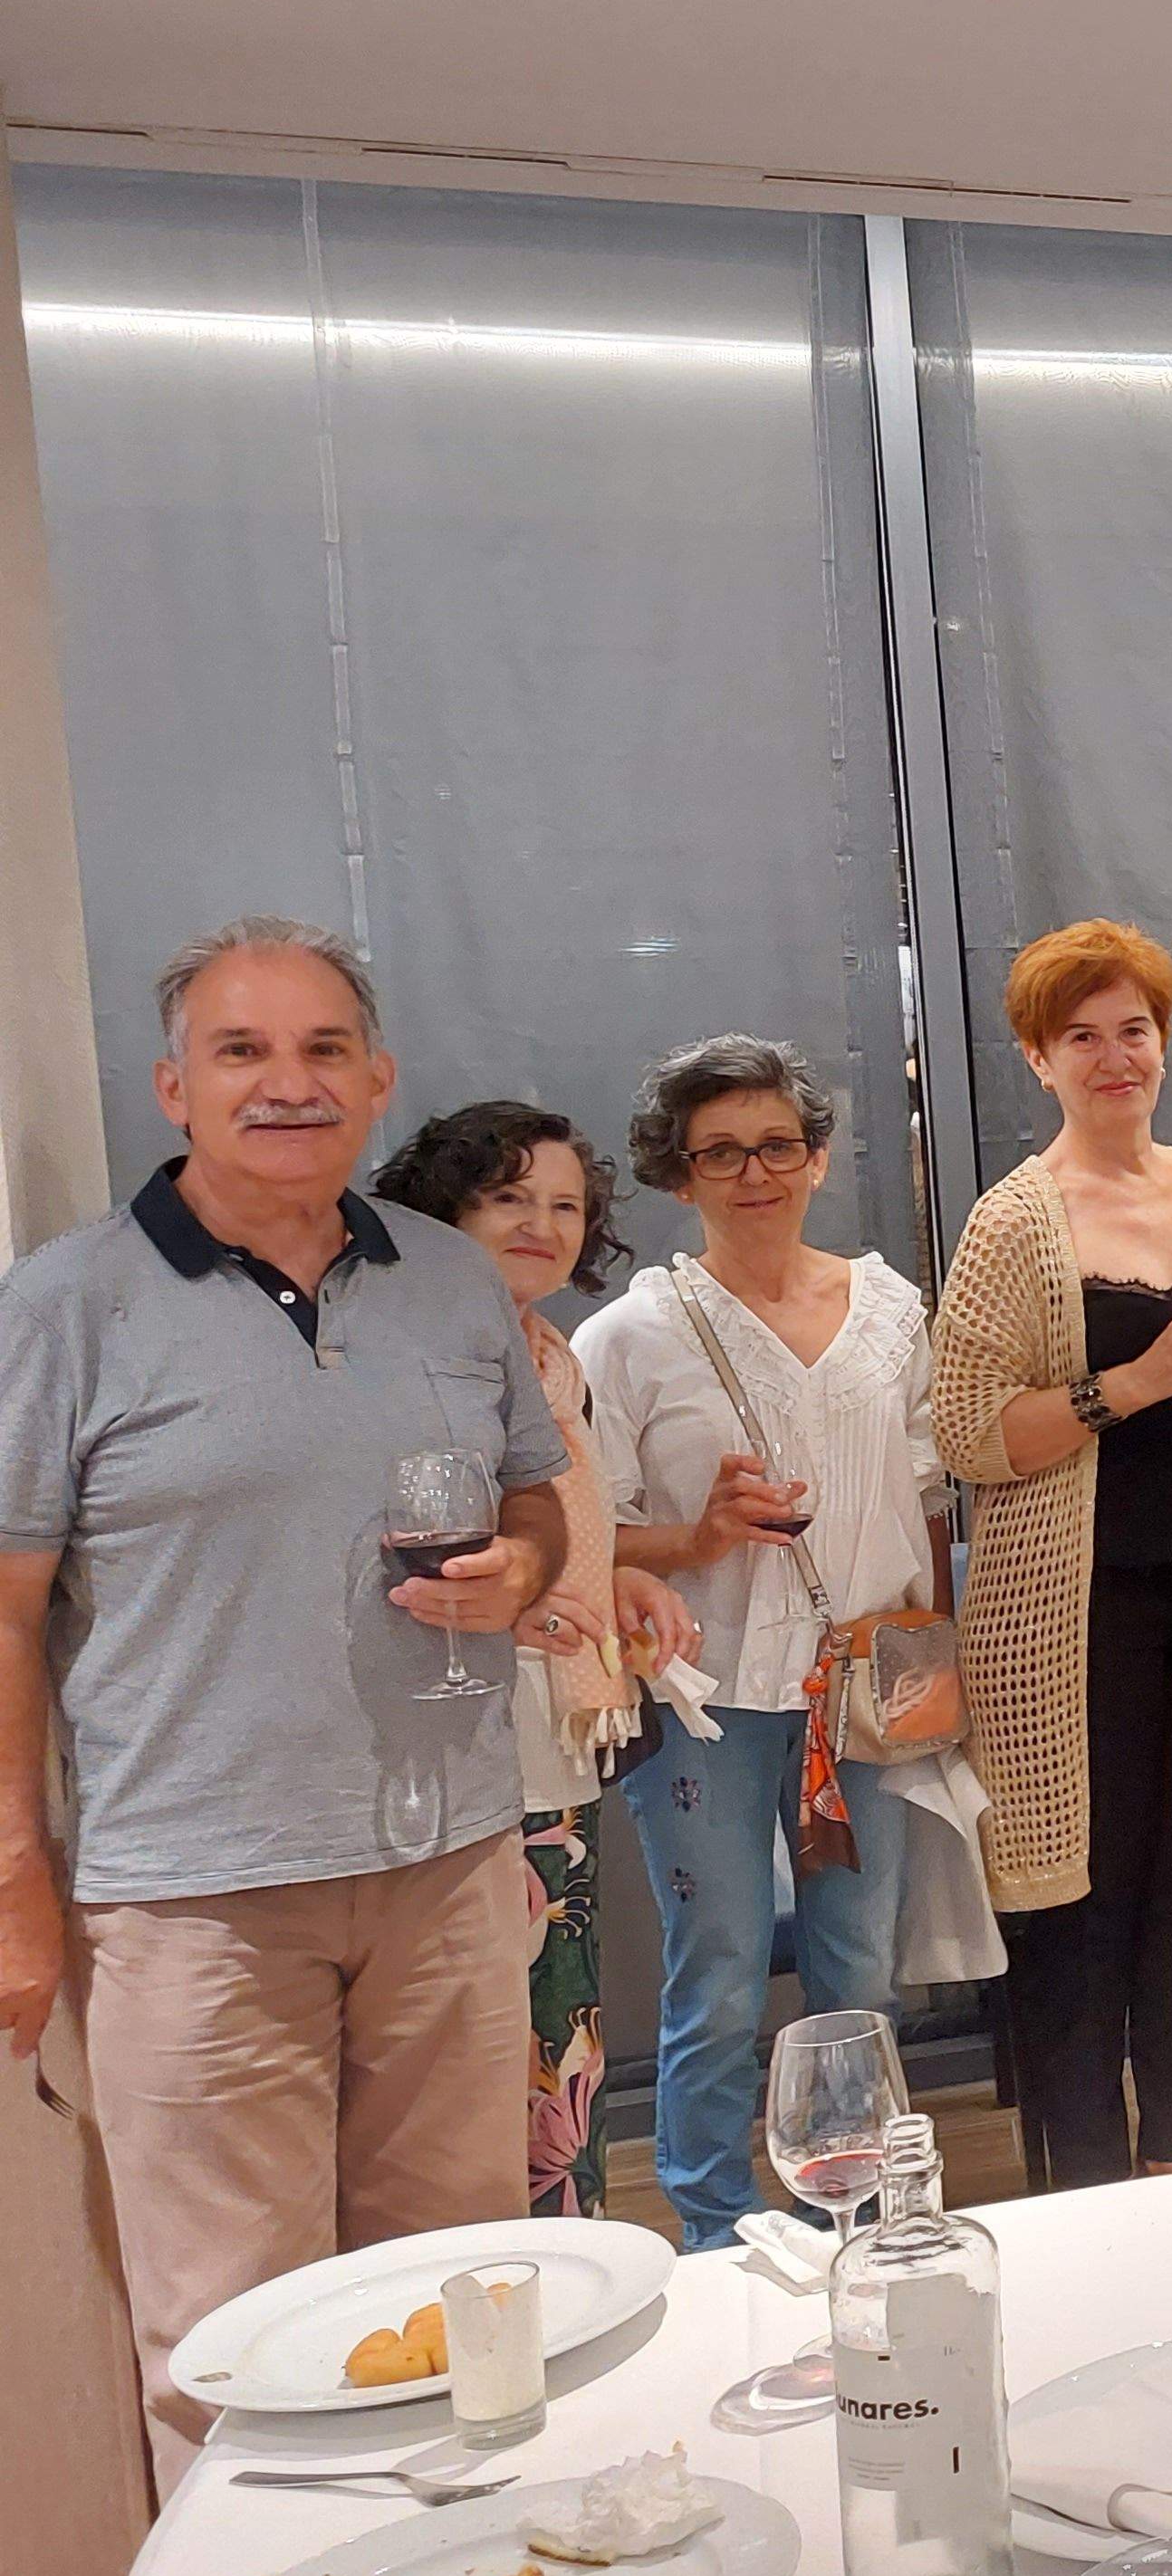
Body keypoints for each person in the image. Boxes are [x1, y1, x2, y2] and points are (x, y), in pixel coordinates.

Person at [0, 920, 571, 2459]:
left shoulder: (450, 1277)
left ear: (377, 1078)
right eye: (243, 1051)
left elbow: (537, 1504)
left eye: (324, 1049)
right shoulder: (66, 1305)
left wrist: (521, 1571)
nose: (288, 1082)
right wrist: (16, 1882)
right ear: (173, 1086)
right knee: (232, 2351)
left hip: (445, 1868)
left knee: (456, 2312)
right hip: (193, 1899)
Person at [931, 924, 1172, 2187]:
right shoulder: (1013, 1222)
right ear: (1037, 1058)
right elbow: (970, 1435)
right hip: (1075, 1615)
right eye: (1080, 1035)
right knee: (1082, 1898)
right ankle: (1085, 2187)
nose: (1112, 1055)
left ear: (1164, 1042)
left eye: (1131, 1029)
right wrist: (1129, 1384)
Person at [576, 1037, 950, 2249]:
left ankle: (862, 2214)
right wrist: (697, 1539)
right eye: (719, 1153)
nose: (753, 1173)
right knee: (722, 1972)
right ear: (678, 1177)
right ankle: (715, 2231)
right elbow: (579, 1539)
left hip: (871, 1679)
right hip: (702, 1694)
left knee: (864, 1965)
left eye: (774, 1146)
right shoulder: (631, 1337)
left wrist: (936, 1669)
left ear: (819, 1157)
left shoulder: (894, 1312)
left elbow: (928, 1498)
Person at [371, 1102, 701, 2218]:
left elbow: (567, 1531)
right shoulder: (402, 1354)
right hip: (442, 1749)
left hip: (556, 1732)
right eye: (507, 1197)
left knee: (560, 2038)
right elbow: (369, 1542)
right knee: (466, 2055)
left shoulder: (553, 1357)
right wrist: (498, 1609)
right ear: (442, 1212)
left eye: (565, 1205)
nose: (540, 1224)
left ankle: (570, 2280)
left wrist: (618, 1580)